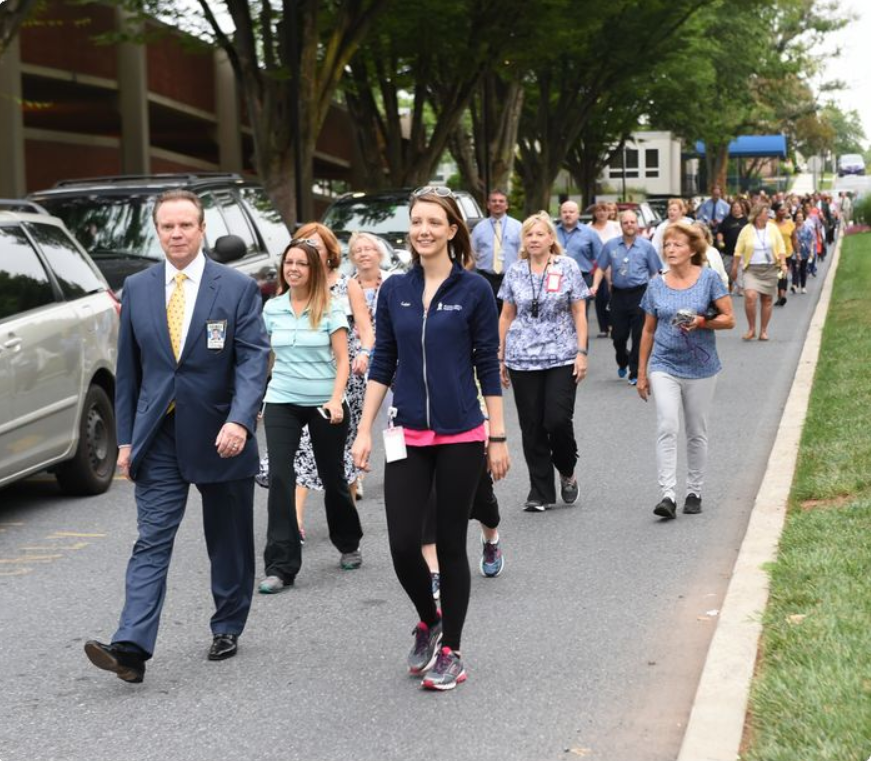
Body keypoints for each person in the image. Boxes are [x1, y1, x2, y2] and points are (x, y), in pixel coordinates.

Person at [84, 190, 270, 683]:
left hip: (220, 432)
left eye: (186, 225)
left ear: (202, 229)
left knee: (227, 539)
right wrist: (126, 441)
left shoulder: (235, 288)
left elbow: (253, 360)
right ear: (158, 231)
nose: (177, 234)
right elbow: (129, 371)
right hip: (159, 435)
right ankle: (131, 646)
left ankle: (228, 623)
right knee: (152, 539)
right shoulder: (138, 289)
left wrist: (240, 418)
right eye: (168, 227)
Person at [351, 186, 509, 692]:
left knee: (450, 544)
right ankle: (429, 618)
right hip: (407, 435)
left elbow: (488, 363)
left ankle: (452, 651)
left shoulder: (474, 290)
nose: (423, 230)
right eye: (416, 221)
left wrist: (498, 435)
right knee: (401, 545)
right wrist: (363, 431)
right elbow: (383, 362)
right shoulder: (394, 288)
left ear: (452, 230)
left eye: (434, 222)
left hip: (462, 433)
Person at [258, 238, 364, 594]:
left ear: (313, 269)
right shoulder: (272, 308)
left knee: (332, 476)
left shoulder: (332, 307)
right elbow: (264, 358)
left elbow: (343, 360)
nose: (294, 268)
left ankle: (348, 542)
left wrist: (336, 400)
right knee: (280, 477)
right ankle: (280, 565)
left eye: (302, 263)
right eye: (289, 262)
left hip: (324, 400)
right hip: (283, 399)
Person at [637, 222, 734, 519]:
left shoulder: (709, 279)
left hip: (701, 366)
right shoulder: (656, 284)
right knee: (667, 425)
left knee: (696, 431)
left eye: (677, 245)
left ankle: (694, 490)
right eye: (667, 245)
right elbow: (649, 330)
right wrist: (642, 371)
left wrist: (703, 321)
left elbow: (729, 318)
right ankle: (667, 494)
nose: (671, 250)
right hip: (664, 363)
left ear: (692, 249)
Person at [499, 211, 589, 511]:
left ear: (551, 238)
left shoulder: (568, 267)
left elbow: (578, 311)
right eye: (529, 235)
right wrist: (499, 356)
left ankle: (566, 468)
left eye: (540, 234)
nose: (534, 239)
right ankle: (540, 492)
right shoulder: (515, 271)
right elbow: (507, 314)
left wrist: (582, 351)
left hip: (562, 354)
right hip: (522, 357)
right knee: (532, 426)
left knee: (557, 420)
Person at [290, 222, 374, 542]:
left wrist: (365, 353)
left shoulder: (347, 285)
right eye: (303, 245)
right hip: (309, 376)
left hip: (348, 375)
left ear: (329, 251)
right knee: (305, 445)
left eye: (315, 244)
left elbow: (366, 328)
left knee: (341, 452)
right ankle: (294, 521)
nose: (309, 250)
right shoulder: (296, 285)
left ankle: (346, 519)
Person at [590, 210, 661, 386]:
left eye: (632, 222)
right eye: (626, 222)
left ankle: (635, 372)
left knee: (639, 335)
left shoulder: (646, 246)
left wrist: (659, 294)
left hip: (640, 294)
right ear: (620, 225)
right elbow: (600, 267)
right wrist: (595, 285)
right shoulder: (611, 245)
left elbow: (654, 273)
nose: (629, 225)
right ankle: (623, 359)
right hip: (619, 295)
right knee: (618, 336)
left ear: (637, 225)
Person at [731, 203, 787, 341]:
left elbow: (781, 247)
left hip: (770, 268)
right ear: (757, 215)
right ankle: (751, 329)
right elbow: (738, 251)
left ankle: (763, 330)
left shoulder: (773, 229)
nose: (768, 215)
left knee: (767, 300)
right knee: (750, 296)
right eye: (765, 213)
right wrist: (734, 268)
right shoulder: (746, 230)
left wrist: (784, 263)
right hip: (752, 269)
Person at [470, 189, 522, 306]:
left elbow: (523, 254)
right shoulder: (479, 228)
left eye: (501, 201)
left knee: (509, 314)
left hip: (511, 278)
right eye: (493, 201)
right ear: (488, 205)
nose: (497, 203)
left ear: (507, 205)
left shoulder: (518, 227)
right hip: (485, 278)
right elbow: (472, 255)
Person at [555, 200, 602, 322]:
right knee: (559, 315)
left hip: (581, 277)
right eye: (564, 212)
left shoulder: (590, 233)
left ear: (578, 214)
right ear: (560, 214)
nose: (568, 215)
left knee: (580, 315)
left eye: (571, 212)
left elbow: (601, 261)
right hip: (556, 278)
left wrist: (596, 284)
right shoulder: (552, 233)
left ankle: (581, 341)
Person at [587, 201, 621, 337]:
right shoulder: (589, 228)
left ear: (609, 212)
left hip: (614, 265)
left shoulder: (616, 226)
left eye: (604, 210)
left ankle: (614, 324)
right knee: (600, 297)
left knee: (612, 296)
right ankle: (603, 328)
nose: (601, 213)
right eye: (598, 211)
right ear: (594, 213)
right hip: (595, 267)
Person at [715, 199, 748, 293]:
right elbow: (720, 232)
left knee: (740, 269)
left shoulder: (746, 220)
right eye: (734, 207)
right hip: (728, 251)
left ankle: (740, 287)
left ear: (742, 209)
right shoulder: (727, 220)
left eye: (738, 207)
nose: (736, 209)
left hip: (741, 252)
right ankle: (729, 285)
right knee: (727, 270)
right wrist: (720, 240)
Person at [772, 202, 795, 306]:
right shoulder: (770, 223)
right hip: (774, 254)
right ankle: (779, 296)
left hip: (787, 253)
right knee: (777, 276)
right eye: (781, 210)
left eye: (784, 210)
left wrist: (797, 252)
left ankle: (782, 295)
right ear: (776, 212)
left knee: (783, 274)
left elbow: (794, 238)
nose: (783, 212)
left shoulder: (790, 223)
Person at [792, 209, 813, 294]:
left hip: (804, 251)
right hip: (794, 251)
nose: (799, 219)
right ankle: (795, 285)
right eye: (797, 217)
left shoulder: (807, 229)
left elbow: (811, 240)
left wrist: (811, 251)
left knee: (802, 269)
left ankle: (803, 286)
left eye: (801, 217)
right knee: (795, 269)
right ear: (795, 218)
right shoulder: (793, 228)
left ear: (803, 218)